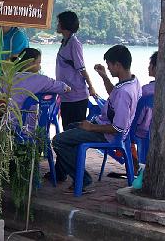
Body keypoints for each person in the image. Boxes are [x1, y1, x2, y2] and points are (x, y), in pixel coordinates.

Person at [52, 45, 141, 193]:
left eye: (110, 66)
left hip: (108, 135)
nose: (109, 68)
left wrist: (91, 128)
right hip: (103, 125)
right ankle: (77, 170)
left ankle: (83, 180)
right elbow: (114, 95)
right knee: (70, 129)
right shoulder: (132, 81)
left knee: (58, 141)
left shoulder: (125, 92)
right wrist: (104, 76)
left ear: (118, 65)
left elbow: (118, 128)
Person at [10, 48, 70, 132]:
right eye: (39, 62)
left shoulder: (8, 78)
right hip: (28, 128)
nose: (40, 66)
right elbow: (64, 88)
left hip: (7, 124)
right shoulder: (40, 80)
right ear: (31, 63)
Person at [55, 11, 96, 129]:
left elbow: (81, 68)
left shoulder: (74, 43)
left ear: (64, 25)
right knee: (67, 128)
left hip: (76, 96)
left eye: (59, 22)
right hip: (66, 95)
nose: (57, 25)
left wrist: (91, 86)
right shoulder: (65, 42)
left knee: (73, 130)